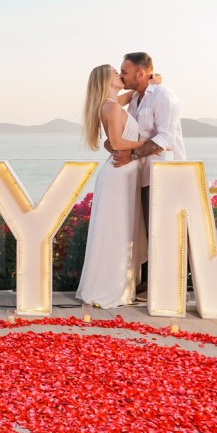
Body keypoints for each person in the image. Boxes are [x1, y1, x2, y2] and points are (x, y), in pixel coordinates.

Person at [76, 64, 151, 308]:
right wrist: (151, 142)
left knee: (117, 230)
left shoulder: (110, 104)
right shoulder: (112, 108)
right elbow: (117, 142)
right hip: (120, 175)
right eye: (113, 72)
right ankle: (111, 287)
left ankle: (112, 284)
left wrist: (152, 79)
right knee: (117, 231)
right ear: (105, 80)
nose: (119, 74)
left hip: (121, 174)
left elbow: (130, 94)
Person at [112, 52, 186, 298]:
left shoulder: (164, 97)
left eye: (125, 71)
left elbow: (165, 139)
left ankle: (167, 286)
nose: (122, 75)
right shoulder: (135, 98)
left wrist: (131, 154)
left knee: (161, 227)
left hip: (161, 174)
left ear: (140, 73)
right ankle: (148, 281)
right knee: (145, 228)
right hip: (140, 174)